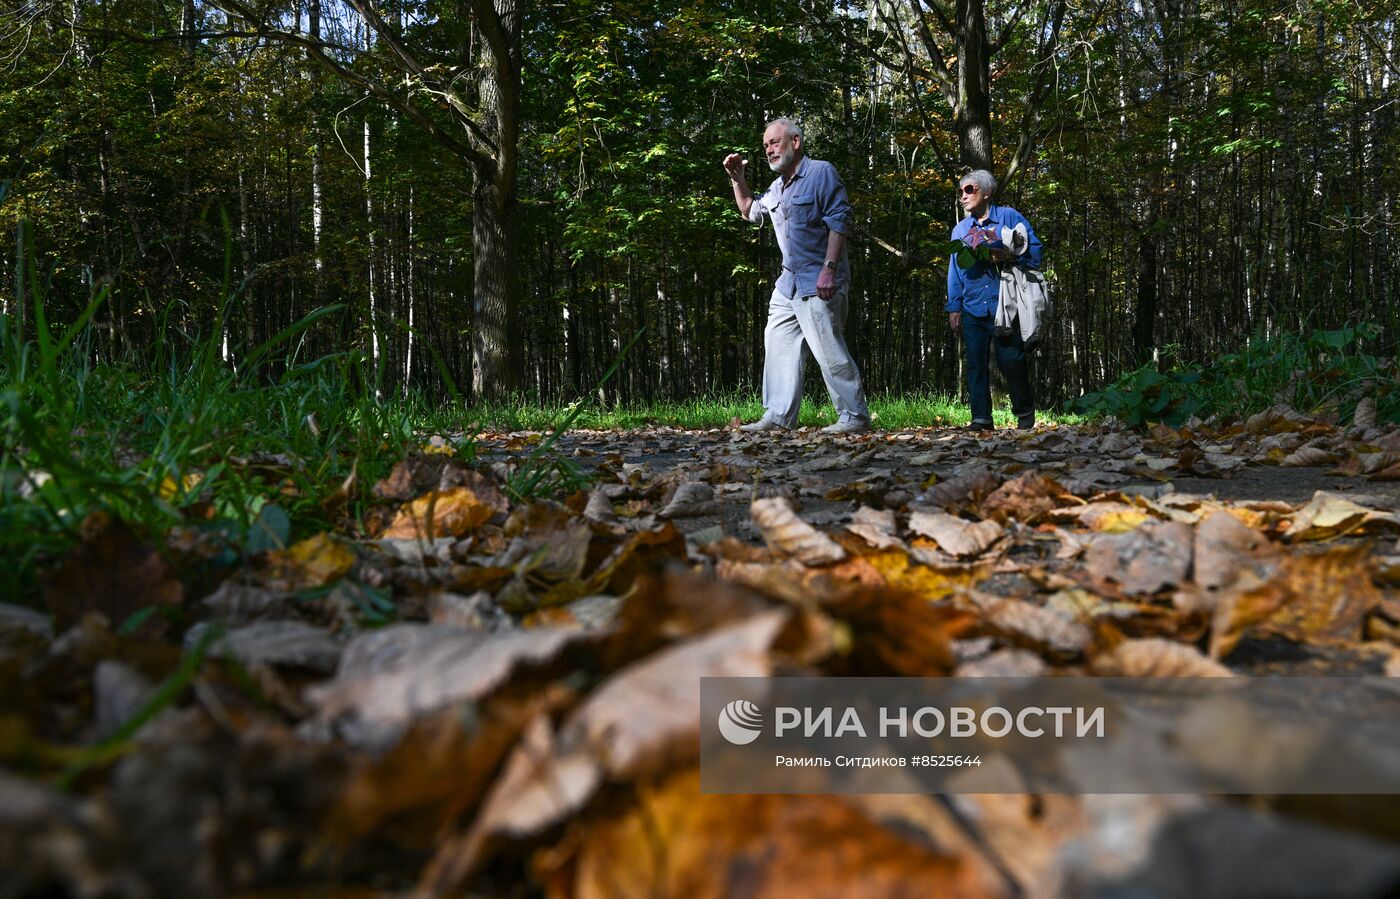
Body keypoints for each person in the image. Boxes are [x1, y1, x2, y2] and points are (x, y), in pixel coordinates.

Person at [722, 118, 872, 435]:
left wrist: (829, 270)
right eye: (765, 146)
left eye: (775, 143)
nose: (769, 150)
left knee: (827, 350)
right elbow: (750, 210)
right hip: (788, 285)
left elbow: (838, 221)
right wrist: (738, 179)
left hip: (820, 282)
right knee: (777, 345)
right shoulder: (777, 189)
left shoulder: (821, 172)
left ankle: (854, 417)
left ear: (796, 141)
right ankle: (778, 416)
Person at [946, 169, 1042, 430]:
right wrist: (954, 306)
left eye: (969, 190)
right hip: (972, 305)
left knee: (1011, 359)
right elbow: (954, 270)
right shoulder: (960, 230)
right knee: (975, 364)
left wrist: (1008, 255)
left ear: (986, 192)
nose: (962, 196)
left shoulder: (1009, 217)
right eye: (960, 191)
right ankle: (981, 418)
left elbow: (1034, 250)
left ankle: (1024, 415)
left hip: (1005, 303)